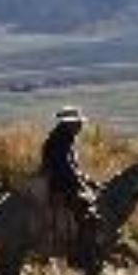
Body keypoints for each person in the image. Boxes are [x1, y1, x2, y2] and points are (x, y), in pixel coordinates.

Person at [40, 106, 100, 259]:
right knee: (85, 208)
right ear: (68, 124)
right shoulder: (60, 140)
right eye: (77, 123)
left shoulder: (65, 138)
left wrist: (89, 181)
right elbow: (65, 168)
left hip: (63, 180)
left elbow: (73, 168)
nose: (80, 126)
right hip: (58, 184)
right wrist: (81, 183)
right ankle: (77, 249)